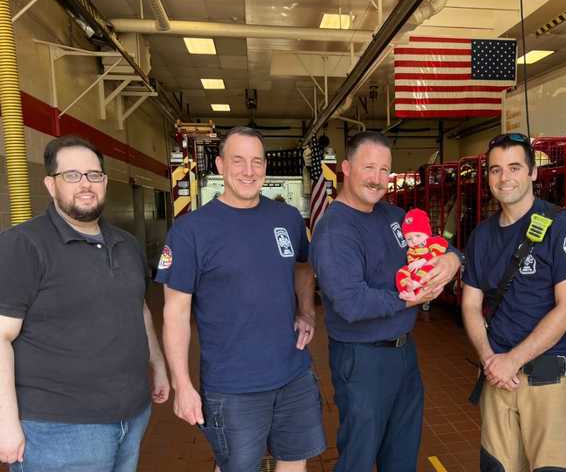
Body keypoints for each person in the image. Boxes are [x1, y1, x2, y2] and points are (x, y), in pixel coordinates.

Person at [157, 126, 325, 472]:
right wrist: (182, 385)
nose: (249, 171)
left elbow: (303, 267)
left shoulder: (287, 218)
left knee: (294, 462)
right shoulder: (190, 232)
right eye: (238, 161)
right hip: (232, 386)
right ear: (220, 165)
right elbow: (174, 314)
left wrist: (307, 311)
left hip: (293, 373)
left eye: (256, 162)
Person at [0, 135, 169, 471]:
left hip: (131, 416)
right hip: (58, 428)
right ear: (50, 184)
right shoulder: (22, 246)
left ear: (105, 181)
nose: (85, 185)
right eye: (72, 176)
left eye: (94, 175)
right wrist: (5, 423)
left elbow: (140, 310)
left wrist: (159, 366)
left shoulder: (127, 245)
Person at [310, 131, 461, 471]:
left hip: (403, 353)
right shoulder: (336, 230)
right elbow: (351, 303)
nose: (377, 179)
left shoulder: (393, 216)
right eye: (369, 168)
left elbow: (432, 242)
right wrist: (412, 298)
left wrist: (452, 259)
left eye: (384, 170)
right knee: (359, 458)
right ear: (346, 168)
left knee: (402, 454)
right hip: (362, 358)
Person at [461, 133, 566, 472]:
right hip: (498, 378)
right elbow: (469, 305)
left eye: (514, 168)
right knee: (496, 467)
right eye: (495, 170)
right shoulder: (482, 235)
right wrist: (490, 359)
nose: (504, 178)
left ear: (532, 173)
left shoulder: (563, 228)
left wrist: (513, 360)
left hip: (549, 380)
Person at [395, 208, 448, 297]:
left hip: (428, 268)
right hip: (415, 271)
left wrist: (423, 261)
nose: (414, 240)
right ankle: (406, 291)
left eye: (418, 235)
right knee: (402, 271)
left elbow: (439, 250)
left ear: (427, 234)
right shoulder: (411, 249)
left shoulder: (431, 241)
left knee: (428, 268)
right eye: (409, 239)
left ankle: (416, 284)